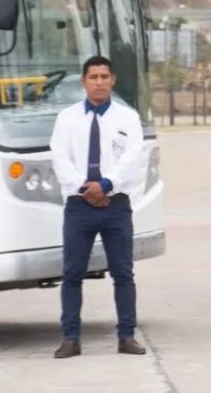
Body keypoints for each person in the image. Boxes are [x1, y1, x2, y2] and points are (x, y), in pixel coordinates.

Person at [49, 55, 146, 358]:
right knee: (72, 274)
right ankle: (71, 338)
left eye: (104, 77)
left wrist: (105, 184)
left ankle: (127, 336)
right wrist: (85, 187)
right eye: (93, 77)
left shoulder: (127, 118)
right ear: (84, 81)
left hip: (115, 204)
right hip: (79, 205)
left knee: (123, 273)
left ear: (112, 80)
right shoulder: (67, 118)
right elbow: (59, 158)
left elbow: (133, 157)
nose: (99, 83)